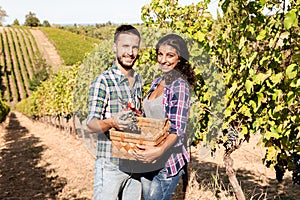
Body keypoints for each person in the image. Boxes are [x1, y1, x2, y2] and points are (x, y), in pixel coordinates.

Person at [131, 33, 196, 200]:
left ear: (180, 58)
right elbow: (148, 117)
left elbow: (177, 129)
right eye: (160, 54)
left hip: (167, 162)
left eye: (170, 55)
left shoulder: (179, 86)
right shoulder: (157, 82)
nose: (163, 60)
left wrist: (158, 151)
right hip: (148, 158)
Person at [86, 24, 143, 200]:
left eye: (134, 47)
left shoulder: (138, 79)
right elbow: (90, 124)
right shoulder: (103, 81)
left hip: (134, 164)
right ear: (115, 47)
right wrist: (112, 122)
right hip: (110, 164)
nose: (130, 52)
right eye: (125, 46)